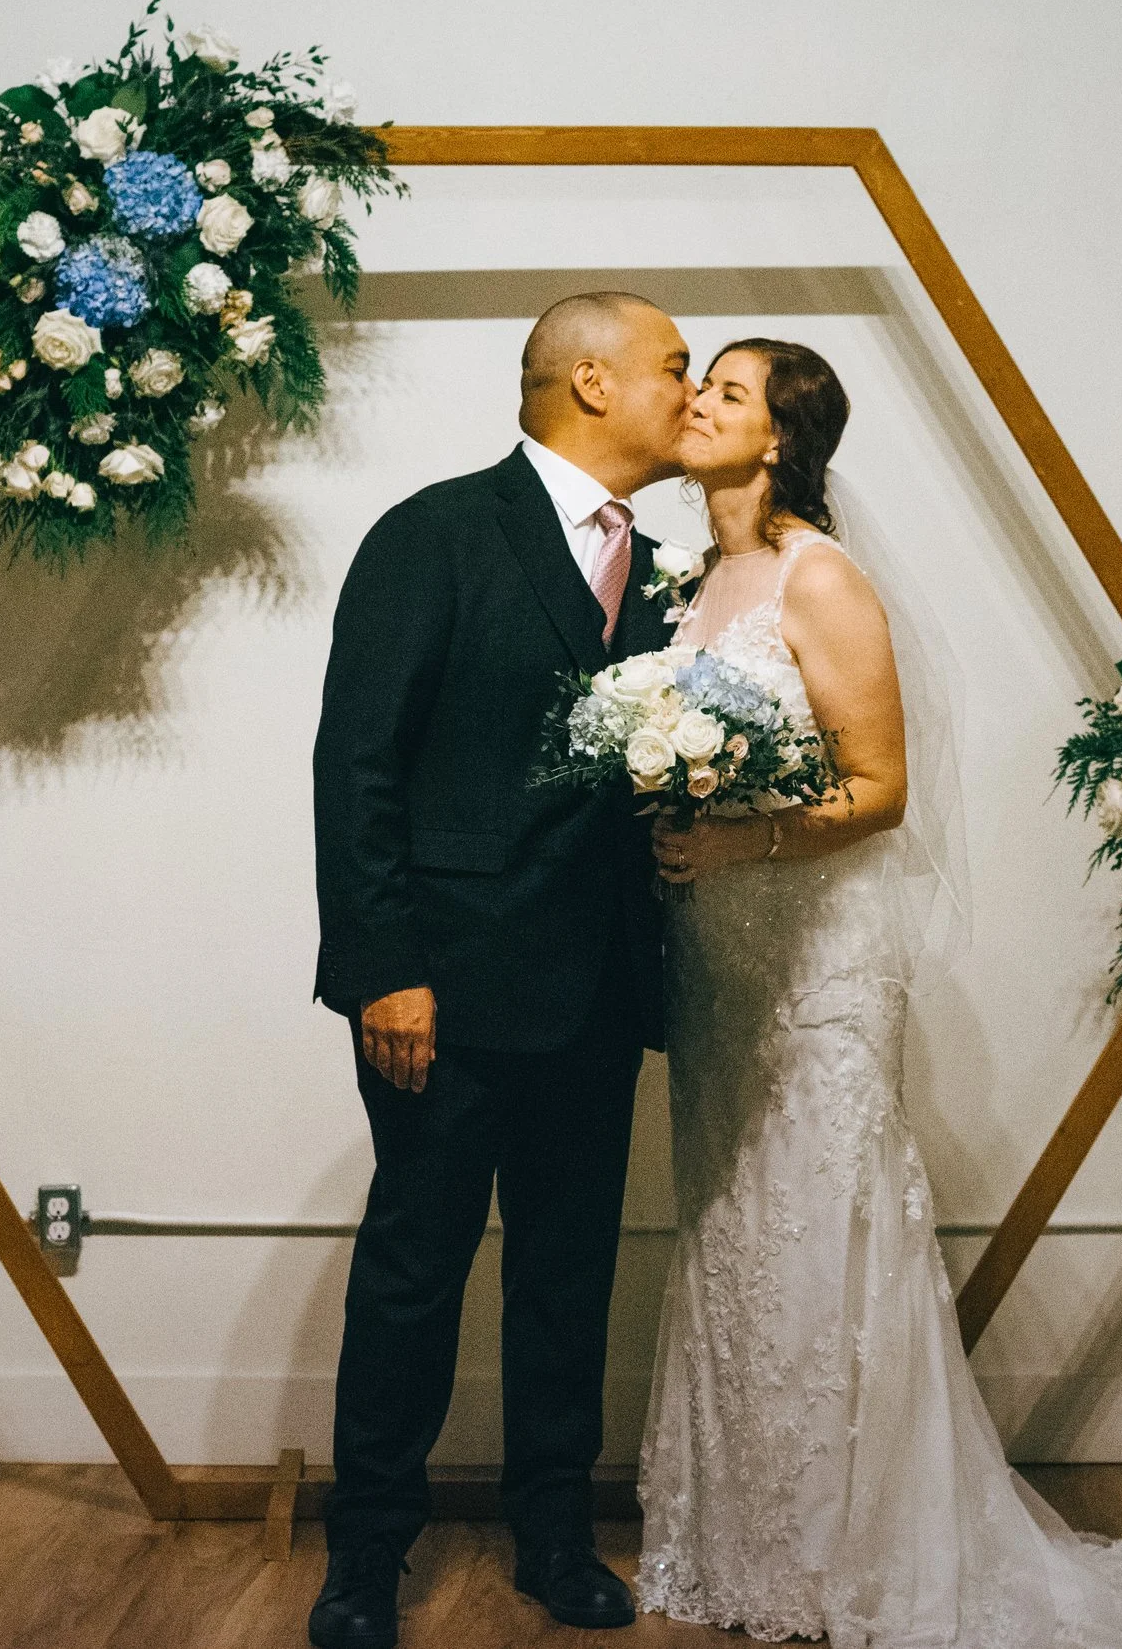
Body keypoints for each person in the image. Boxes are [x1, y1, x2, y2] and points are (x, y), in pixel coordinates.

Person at [637, 338, 1122, 1648]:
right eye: (702, 382)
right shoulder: (700, 577)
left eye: (729, 391)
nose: (698, 398)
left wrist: (735, 837)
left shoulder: (823, 578)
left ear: (782, 440)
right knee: (739, 1227)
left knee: (822, 1220)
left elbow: (880, 792)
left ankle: (854, 1550)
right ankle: (752, 1537)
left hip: (812, 963)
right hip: (716, 964)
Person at [306, 292, 695, 1649]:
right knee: (414, 1269)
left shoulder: (660, 566)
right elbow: (354, 765)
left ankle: (552, 1533)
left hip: (596, 988)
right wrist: (383, 968)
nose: (688, 394)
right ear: (590, 382)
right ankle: (364, 1556)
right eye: (672, 369)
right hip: (445, 990)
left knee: (568, 1273)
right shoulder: (434, 533)